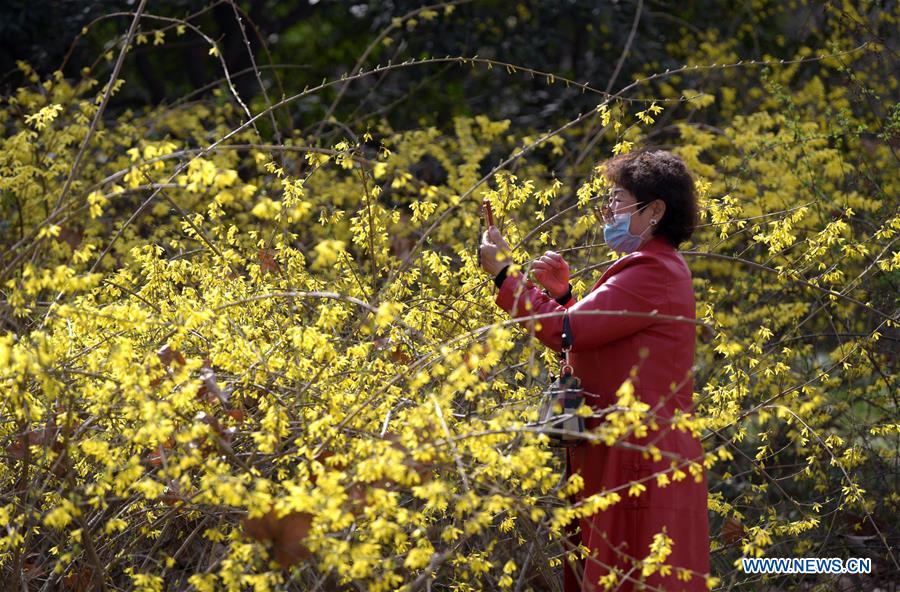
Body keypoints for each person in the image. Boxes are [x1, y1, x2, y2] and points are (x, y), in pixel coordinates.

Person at [479, 149, 710, 591]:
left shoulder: (652, 269)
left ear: (655, 210)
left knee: (632, 574)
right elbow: (591, 336)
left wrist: (506, 276)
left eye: (619, 199)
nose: (608, 210)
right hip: (621, 449)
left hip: (640, 457)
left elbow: (565, 332)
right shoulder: (648, 267)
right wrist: (565, 297)